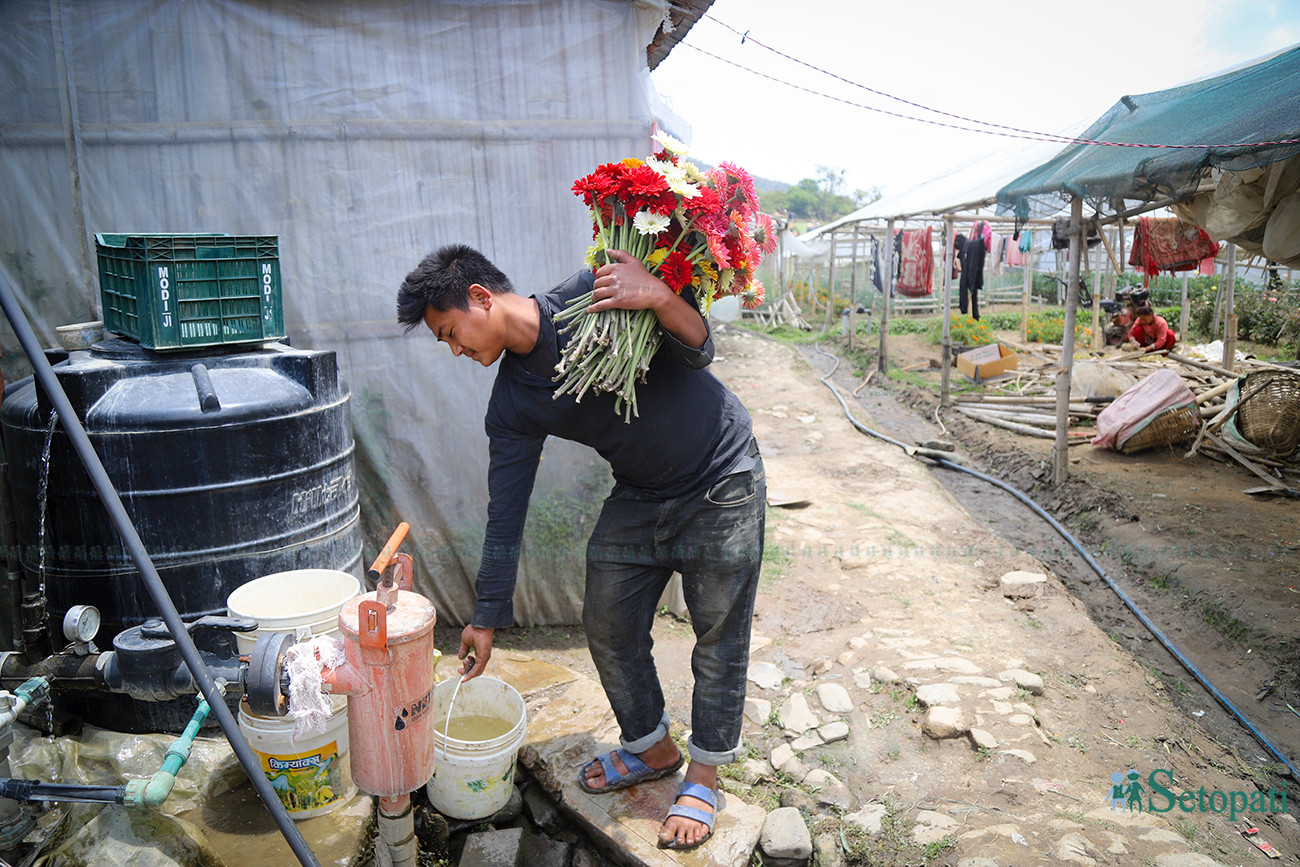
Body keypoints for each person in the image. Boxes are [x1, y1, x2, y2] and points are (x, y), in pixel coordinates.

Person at [396, 244, 765, 851]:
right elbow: (505, 513)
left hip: (721, 474)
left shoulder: (590, 294)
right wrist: (484, 619)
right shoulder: (512, 404)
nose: (456, 350)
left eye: (450, 333)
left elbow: (699, 347)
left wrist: (659, 294)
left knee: (719, 636)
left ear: (481, 299)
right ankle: (652, 747)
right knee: (608, 619)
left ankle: (703, 778)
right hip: (642, 492)